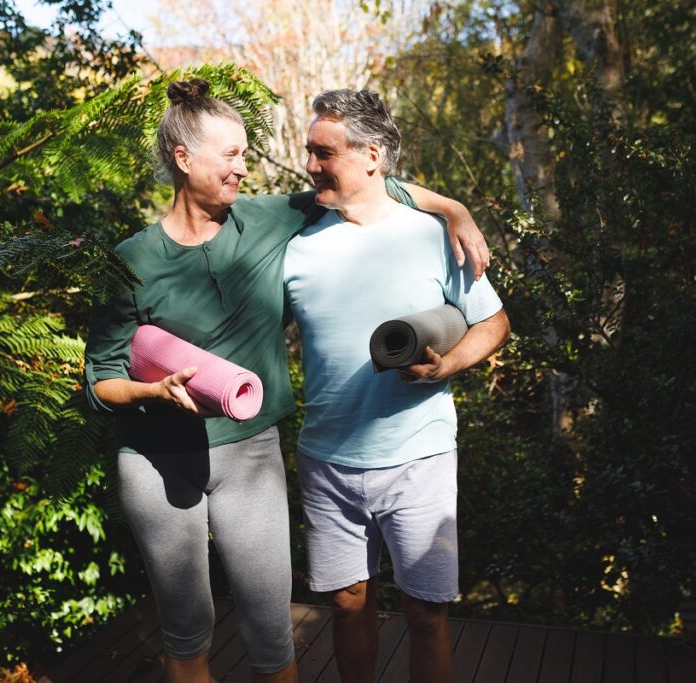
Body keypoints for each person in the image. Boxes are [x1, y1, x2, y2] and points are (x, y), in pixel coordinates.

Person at [83, 78, 488, 683]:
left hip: (251, 455)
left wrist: (455, 209)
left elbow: (365, 184)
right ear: (183, 159)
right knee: (187, 629)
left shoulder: (269, 220)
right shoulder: (131, 261)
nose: (246, 168)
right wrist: (150, 391)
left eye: (246, 154)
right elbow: (100, 378)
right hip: (157, 456)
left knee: (273, 635)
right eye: (233, 156)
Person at [283, 89, 510, 683]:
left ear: (372, 155)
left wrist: (448, 364)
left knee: (426, 613)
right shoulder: (296, 247)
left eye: (323, 152)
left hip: (419, 457)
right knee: (347, 603)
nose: (310, 164)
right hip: (326, 459)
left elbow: (495, 322)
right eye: (309, 150)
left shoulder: (434, 235)